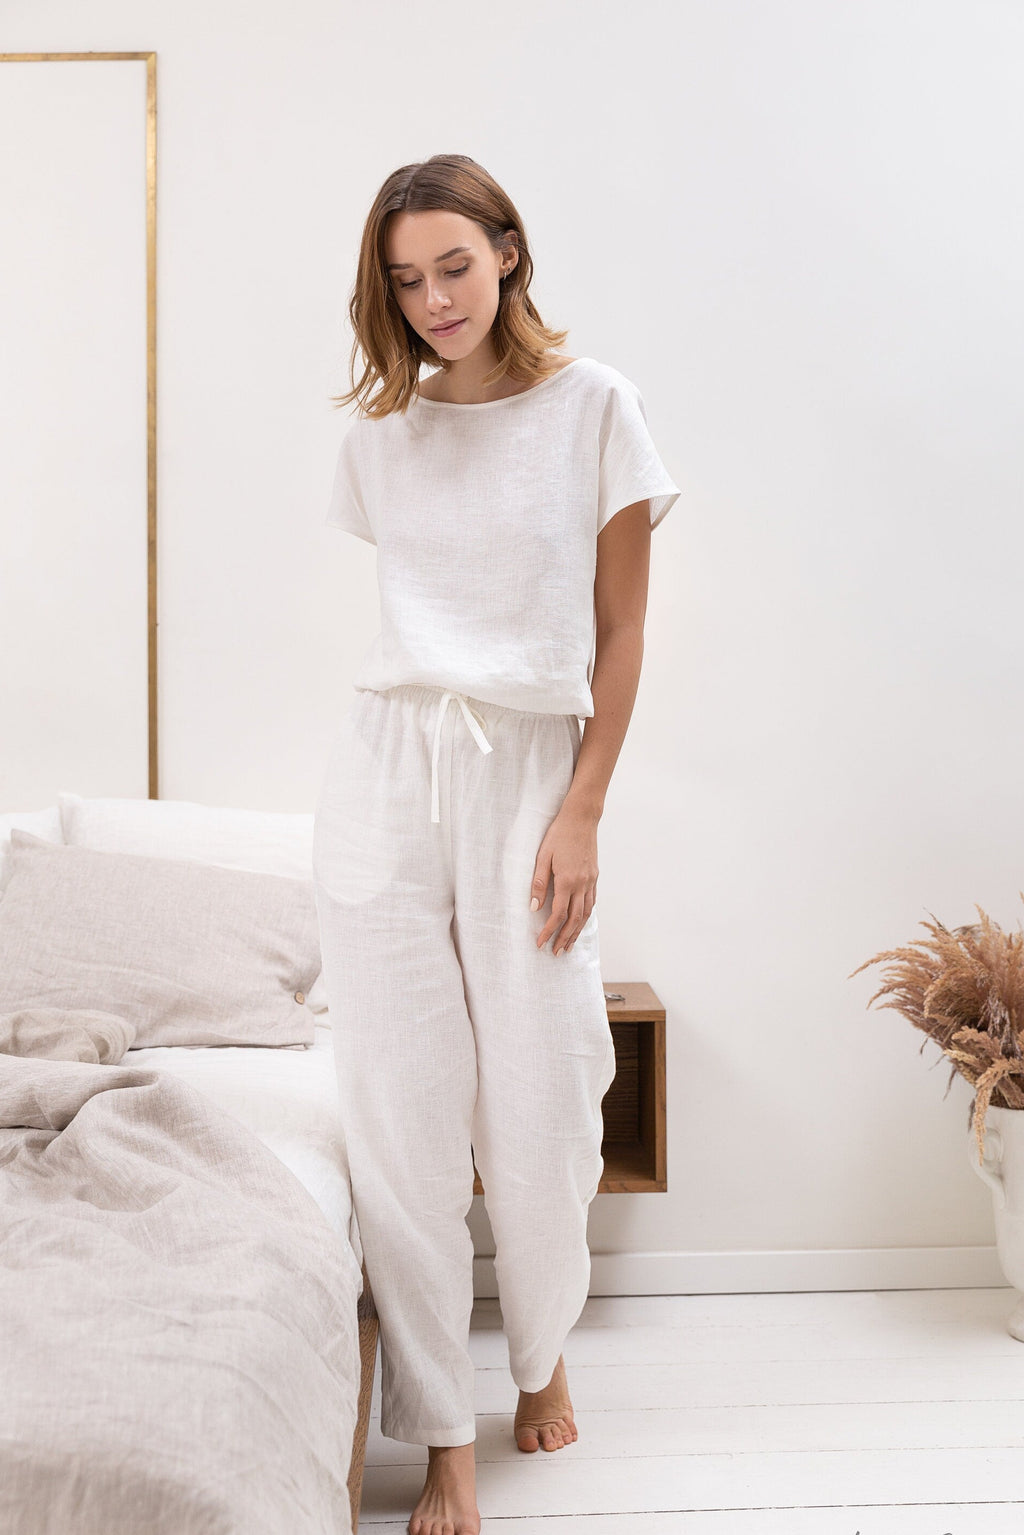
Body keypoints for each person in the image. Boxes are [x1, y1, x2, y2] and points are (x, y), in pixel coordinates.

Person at [312, 153, 680, 1535]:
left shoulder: (596, 410)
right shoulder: (381, 440)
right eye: (405, 282)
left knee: (543, 1087)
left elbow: (622, 630)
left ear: (509, 253)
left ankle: (539, 1345)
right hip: (385, 770)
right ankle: (439, 1426)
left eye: (453, 266)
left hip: (530, 767)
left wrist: (580, 808)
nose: (433, 300)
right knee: (397, 1113)